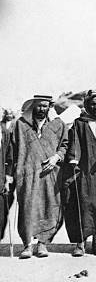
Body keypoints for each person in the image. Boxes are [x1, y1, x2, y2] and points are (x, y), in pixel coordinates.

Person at [9, 95, 68, 259]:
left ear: (50, 107)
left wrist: (57, 157)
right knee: (28, 207)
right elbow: (12, 149)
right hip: (27, 173)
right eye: (39, 106)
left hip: (51, 173)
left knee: (51, 206)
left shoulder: (58, 124)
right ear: (33, 106)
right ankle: (27, 245)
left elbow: (65, 145)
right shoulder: (20, 125)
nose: (42, 109)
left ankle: (43, 243)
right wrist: (11, 172)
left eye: (45, 106)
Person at [64, 90, 96, 257]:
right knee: (83, 207)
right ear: (87, 105)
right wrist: (74, 160)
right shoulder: (80, 123)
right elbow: (75, 143)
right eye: (92, 104)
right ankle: (80, 244)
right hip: (85, 172)